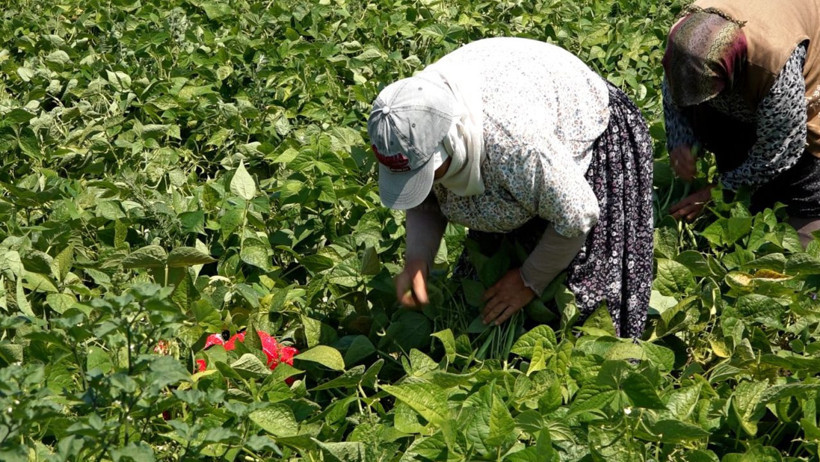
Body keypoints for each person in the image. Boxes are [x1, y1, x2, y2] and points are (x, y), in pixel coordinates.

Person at [366, 37, 654, 338]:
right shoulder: (401, 128)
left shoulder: (517, 147)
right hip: (521, 131)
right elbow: (425, 198)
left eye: (427, 173)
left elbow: (577, 214)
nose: (422, 183)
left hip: (581, 124)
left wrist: (529, 280)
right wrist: (418, 257)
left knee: (585, 314)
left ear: (452, 143)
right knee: (479, 300)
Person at [662, 0, 820, 246]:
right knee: (731, 150)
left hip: (790, 55)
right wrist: (681, 139)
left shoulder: (775, 65)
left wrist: (716, 192)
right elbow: (674, 94)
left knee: (804, 231)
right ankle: (744, 183)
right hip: (740, 69)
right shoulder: (683, 42)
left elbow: (782, 147)